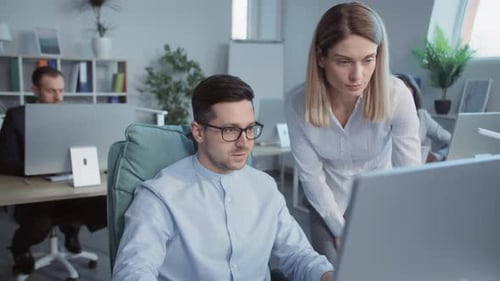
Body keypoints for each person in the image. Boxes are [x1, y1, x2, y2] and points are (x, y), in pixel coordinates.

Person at [113, 74, 333, 281]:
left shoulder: (265, 188)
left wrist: (327, 275)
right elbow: (134, 270)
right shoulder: (161, 196)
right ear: (198, 132)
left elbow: (298, 256)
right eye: (230, 130)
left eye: (249, 129)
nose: (244, 142)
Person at [285, 2, 421, 263]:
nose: (357, 75)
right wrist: (340, 229)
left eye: (368, 60)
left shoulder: (397, 95)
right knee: (332, 268)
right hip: (326, 200)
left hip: (381, 199)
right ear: (321, 57)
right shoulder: (296, 104)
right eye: (344, 61)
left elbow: (409, 174)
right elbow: (311, 178)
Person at [0, 66, 107, 274]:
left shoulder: (71, 117)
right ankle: (19, 249)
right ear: (35, 90)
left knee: (104, 207)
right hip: (33, 190)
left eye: (61, 90)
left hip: (68, 186)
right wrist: (39, 168)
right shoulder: (17, 117)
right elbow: (5, 161)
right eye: (51, 91)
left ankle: (71, 230)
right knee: (39, 226)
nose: (58, 97)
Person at [396, 73, 452, 162]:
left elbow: (452, 141)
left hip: (417, 170)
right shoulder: (380, 120)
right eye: (402, 99)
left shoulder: (422, 116)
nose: (406, 105)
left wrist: (437, 156)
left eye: (410, 99)